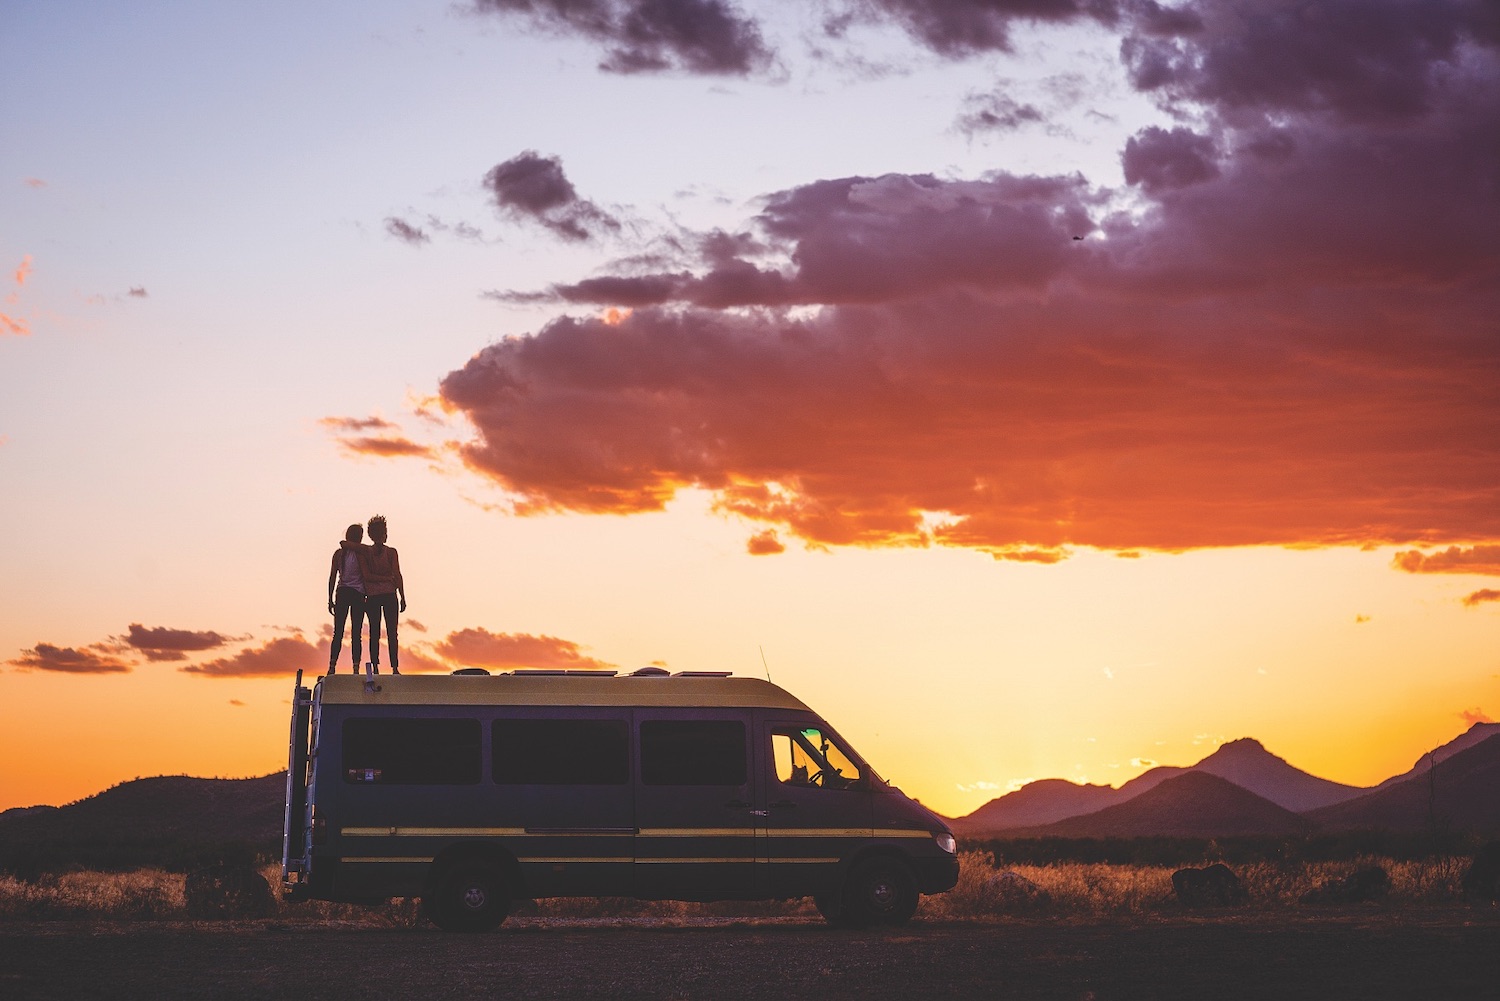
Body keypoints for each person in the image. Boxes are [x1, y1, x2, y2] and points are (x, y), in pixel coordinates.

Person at [358, 514, 406, 675]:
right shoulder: (391, 553)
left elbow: (368, 576)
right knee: (392, 633)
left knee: (375, 633)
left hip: (373, 597)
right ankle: (394, 667)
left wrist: (401, 594)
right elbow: (396, 575)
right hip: (388, 595)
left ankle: (378, 667)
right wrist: (402, 595)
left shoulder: (366, 553)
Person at [326, 524, 366, 675]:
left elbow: (332, 577)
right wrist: (330, 598)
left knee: (349, 633)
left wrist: (330, 598)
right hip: (350, 592)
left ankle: (343, 667)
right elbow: (332, 576)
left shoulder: (359, 552)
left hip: (348, 592)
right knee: (347, 633)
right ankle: (336, 666)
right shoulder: (343, 553)